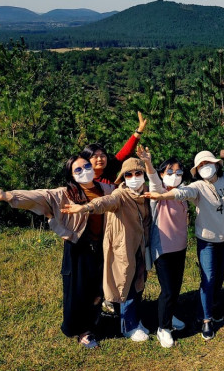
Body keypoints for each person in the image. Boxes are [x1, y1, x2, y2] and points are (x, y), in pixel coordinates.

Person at [0, 155, 115, 349]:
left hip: (103, 247)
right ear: (71, 176)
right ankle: (81, 331)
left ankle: (93, 321)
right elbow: (38, 196)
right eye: (78, 170)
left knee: (98, 290)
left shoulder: (106, 189)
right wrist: (7, 195)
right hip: (78, 247)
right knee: (78, 291)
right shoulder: (65, 193)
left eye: (86, 166)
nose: (85, 171)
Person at [64, 147, 162, 343]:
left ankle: (135, 320)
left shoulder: (145, 194)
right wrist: (86, 208)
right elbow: (105, 202)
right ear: (123, 177)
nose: (134, 177)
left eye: (138, 173)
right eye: (129, 174)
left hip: (141, 248)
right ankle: (128, 326)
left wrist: (149, 163)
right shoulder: (120, 194)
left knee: (138, 284)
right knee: (126, 285)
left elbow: (158, 186)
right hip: (123, 250)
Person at [146, 150, 224, 341]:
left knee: (214, 277)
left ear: (217, 163)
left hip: (212, 240)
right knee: (206, 278)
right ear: (197, 170)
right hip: (199, 241)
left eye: (208, 163)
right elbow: (182, 192)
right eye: (201, 165)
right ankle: (202, 319)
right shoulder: (196, 186)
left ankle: (202, 309)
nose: (206, 167)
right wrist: (162, 196)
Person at [147, 156, 189, 348]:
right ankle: (163, 328)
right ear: (162, 173)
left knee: (176, 287)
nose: (174, 176)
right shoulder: (159, 191)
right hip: (163, 248)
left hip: (180, 247)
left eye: (178, 172)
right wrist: (148, 162)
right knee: (168, 290)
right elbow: (153, 180)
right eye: (169, 172)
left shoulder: (182, 193)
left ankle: (170, 317)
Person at [82, 111, 148, 184]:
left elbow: (126, 152)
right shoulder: (82, 181)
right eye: (95, 156)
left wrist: (139, 131)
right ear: (86, 160)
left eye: (102, 155)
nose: (100, 159)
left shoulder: (110, 170)